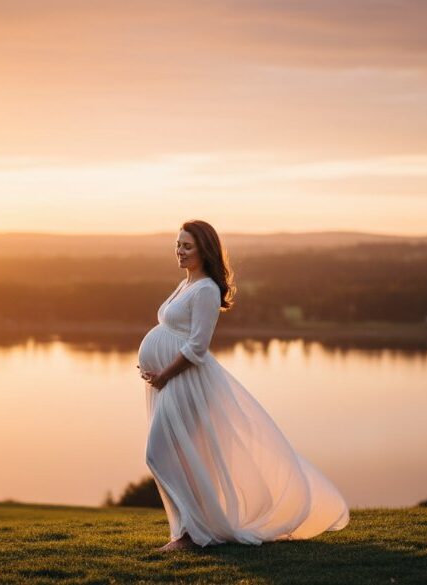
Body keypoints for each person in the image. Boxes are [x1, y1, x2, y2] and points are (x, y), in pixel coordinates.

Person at [137, 219, 350, 552]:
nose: (179, 251)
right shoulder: (186, 283)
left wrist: (164, 373)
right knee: (181, 456)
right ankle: (186, 534)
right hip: (168, 381)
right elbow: (172, 332)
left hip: (185, 382)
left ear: (204, 250)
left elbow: (197, 346)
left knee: (160, 454)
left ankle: (191, 535)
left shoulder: (206, 289)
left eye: (187, 246)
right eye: (177, 245)